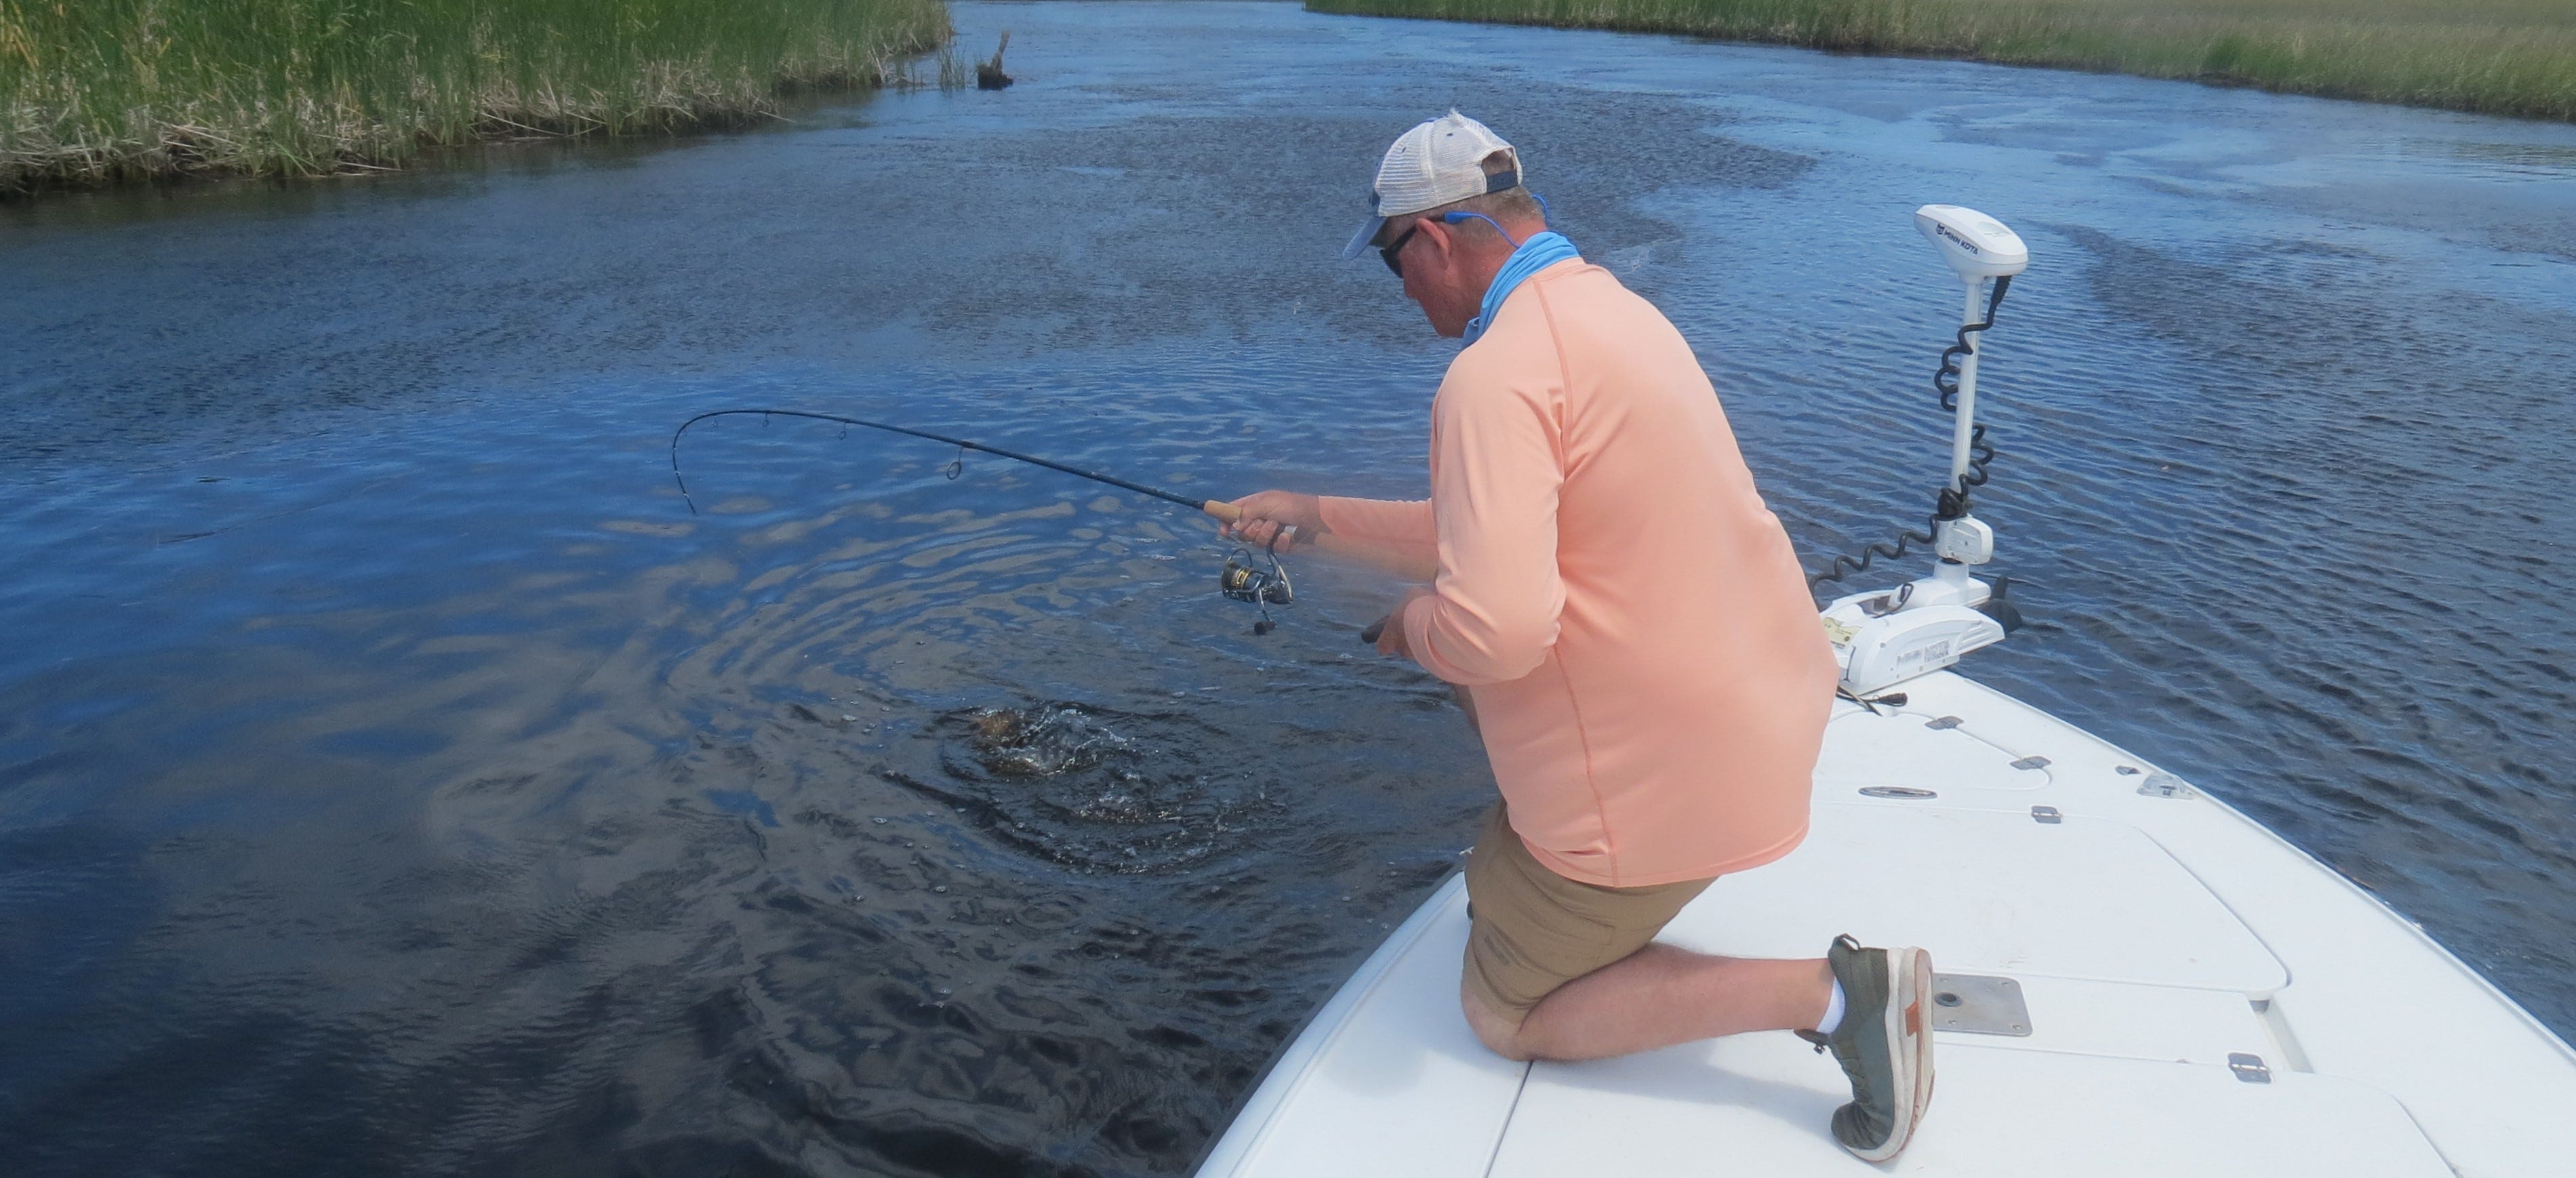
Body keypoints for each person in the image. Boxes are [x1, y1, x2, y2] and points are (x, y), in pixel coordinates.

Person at [1222, 111, 1936, 1162]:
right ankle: (1578, 865)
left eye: (1392, 265)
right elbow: (1486, 529)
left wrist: (1405, 628)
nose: (1403, 292)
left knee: (1499, 1007)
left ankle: (1840, 998)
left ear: (1431, 242)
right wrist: (1319, 515)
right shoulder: (1611, 313)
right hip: (1766, 713)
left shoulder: (1491, 375)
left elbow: (1498, 628)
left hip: (1681, 777)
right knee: (1492, 812)